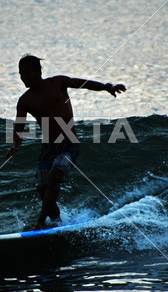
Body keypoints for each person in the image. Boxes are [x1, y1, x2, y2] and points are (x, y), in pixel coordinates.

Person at [7, 54, 126, 230]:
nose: (23, 77)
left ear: (38, 71)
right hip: (48, 148)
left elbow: (83, 83)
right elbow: (19, 126)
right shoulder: (25, 101)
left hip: (69, 143)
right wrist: (16, 145)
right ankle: (57, 224)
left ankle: (39, 223)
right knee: (43, 190)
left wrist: (107, 87)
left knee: (55, 177)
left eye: (27, 73)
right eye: (20, 74)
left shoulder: (58, 83)